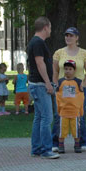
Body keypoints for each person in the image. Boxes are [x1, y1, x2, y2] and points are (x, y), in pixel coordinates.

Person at [51, 27, 86, 152]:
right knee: (59, 114)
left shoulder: (84, 53)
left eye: (71, 35)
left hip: (78, 88)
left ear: (77, 38)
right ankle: (56, 143)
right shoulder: (59, 53)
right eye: (66, 35)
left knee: (80, 114)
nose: (68, 38)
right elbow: (55, 71)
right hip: (63, 87)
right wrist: (55, 84)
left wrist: (84, 83)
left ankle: (82, 142)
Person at [27, 16, 59, 159]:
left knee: (39, 117)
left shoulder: (34, 42)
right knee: (47, 117)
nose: (51, 30)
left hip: (35, 84)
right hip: (40, 85)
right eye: (50, 27)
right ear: (45, 27)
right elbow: (40, 63)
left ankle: (36, 148)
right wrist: (47, 82)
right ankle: (46, 149)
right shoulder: (38, 43)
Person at [55, 60, 84, 153]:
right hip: (63, 111)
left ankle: (77, 144)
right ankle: (61, 145)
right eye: (66, 69)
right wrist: (58, 108)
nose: (68, 71)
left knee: (76, 130)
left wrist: (80, 109)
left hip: (75, 111)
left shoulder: (78, 82)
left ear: (74, 70)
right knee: (62, 129)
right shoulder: (60, 82)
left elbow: (81, 97)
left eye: (70, 69)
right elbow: (57, 96)